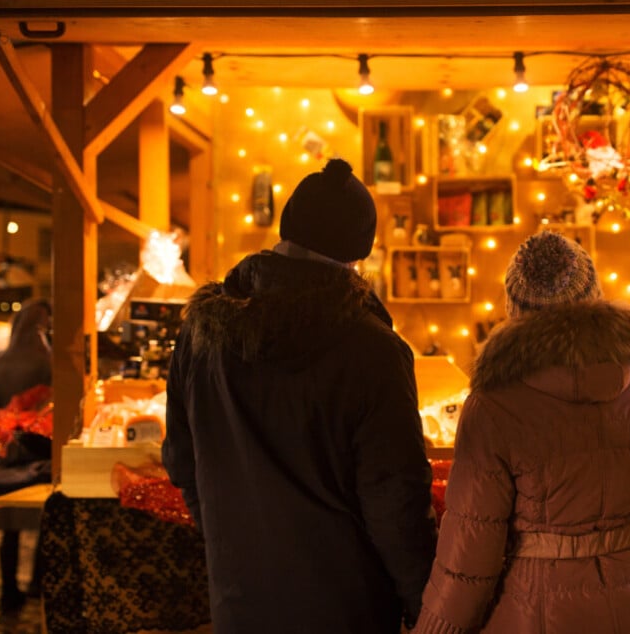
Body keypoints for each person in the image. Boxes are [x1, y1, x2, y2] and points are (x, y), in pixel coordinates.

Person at [162, 158, 437, 633]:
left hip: (239, 600)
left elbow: (183, 460)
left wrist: (227, 543)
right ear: (357, 252)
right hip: (347, 606)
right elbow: (395, 499)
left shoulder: (203, 329)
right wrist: (426, 605)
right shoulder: (373, 349)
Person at [415, 231, 630, 634]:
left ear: (514, 310)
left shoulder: (493, 407)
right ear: (595, 297)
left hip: (535, 611)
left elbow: (468, 561)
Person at [0, 298, 53, 613]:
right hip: (39, 448)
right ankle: (35, 581)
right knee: (44, 516)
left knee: (8, 523)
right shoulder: (49, 360)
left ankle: (9, 590)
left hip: (3, 452)